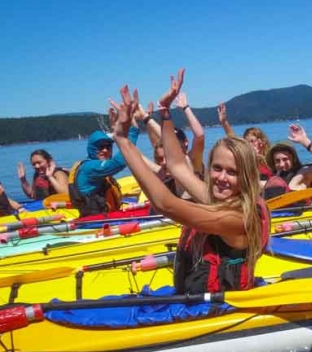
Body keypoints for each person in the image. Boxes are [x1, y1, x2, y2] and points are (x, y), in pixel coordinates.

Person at [110, 70, 268, 295]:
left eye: (232, 172)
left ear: (248, 177)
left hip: (218, 310)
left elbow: (166, 204)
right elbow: (178, 167)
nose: (222, 178)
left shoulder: (238, 219)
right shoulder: (220, 200)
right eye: (217, 168)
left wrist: (123, 140)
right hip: (192, 301)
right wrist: (165, 112)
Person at [68, 122, 139, 216]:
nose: (105, 150)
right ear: (92, 148)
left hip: (104, 217)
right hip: (96, 221)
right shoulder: (89, 167)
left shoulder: (96, 166)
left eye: (108, 146)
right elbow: (119, 163)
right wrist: (133, 131)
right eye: (100, 147)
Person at [263, 123, 312, 199]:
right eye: (277, 161)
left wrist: (306, 142)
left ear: (293, 158)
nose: (282, 164)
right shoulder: (273, 177)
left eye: (285, 159)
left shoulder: (303, 173)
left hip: (298, 209)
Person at [218, 103, 275, 181]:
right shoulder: (247, 159)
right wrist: (224, 122)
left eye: (252, 141)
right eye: (246, 142)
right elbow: (234, 140)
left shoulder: (272, 157)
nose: (249, 145)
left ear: (262, 141)